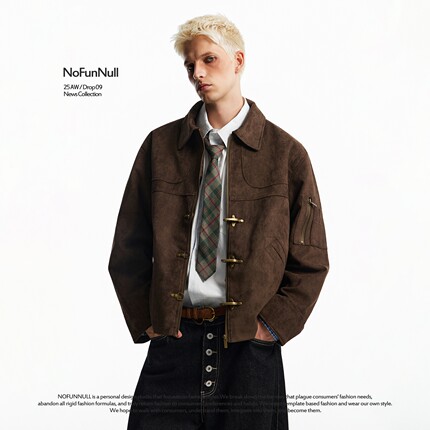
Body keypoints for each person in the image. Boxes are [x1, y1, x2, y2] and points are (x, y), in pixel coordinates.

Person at [109, 14, 329, 430]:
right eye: (190, 65)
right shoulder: (160, 147)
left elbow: (311, 258)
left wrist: (270, 328)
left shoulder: (286, 154)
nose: (198, 73)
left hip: (250, 353)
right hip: (173, 346)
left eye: (209, 59)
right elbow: (127, 247)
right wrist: (149, 320)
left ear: (238, 60)